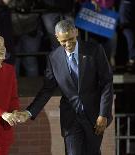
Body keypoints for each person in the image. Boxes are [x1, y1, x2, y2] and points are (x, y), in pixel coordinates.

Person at [16, 19, 114, 155]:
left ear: (76, 32)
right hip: (70, 119)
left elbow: (106, 82)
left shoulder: (95, 50)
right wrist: (29, 112)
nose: (68, 44)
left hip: (94, 117)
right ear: (57, 37)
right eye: (63, 41)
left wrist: (103, 114)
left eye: (71, 39)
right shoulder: (53, 58)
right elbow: (47, 89)